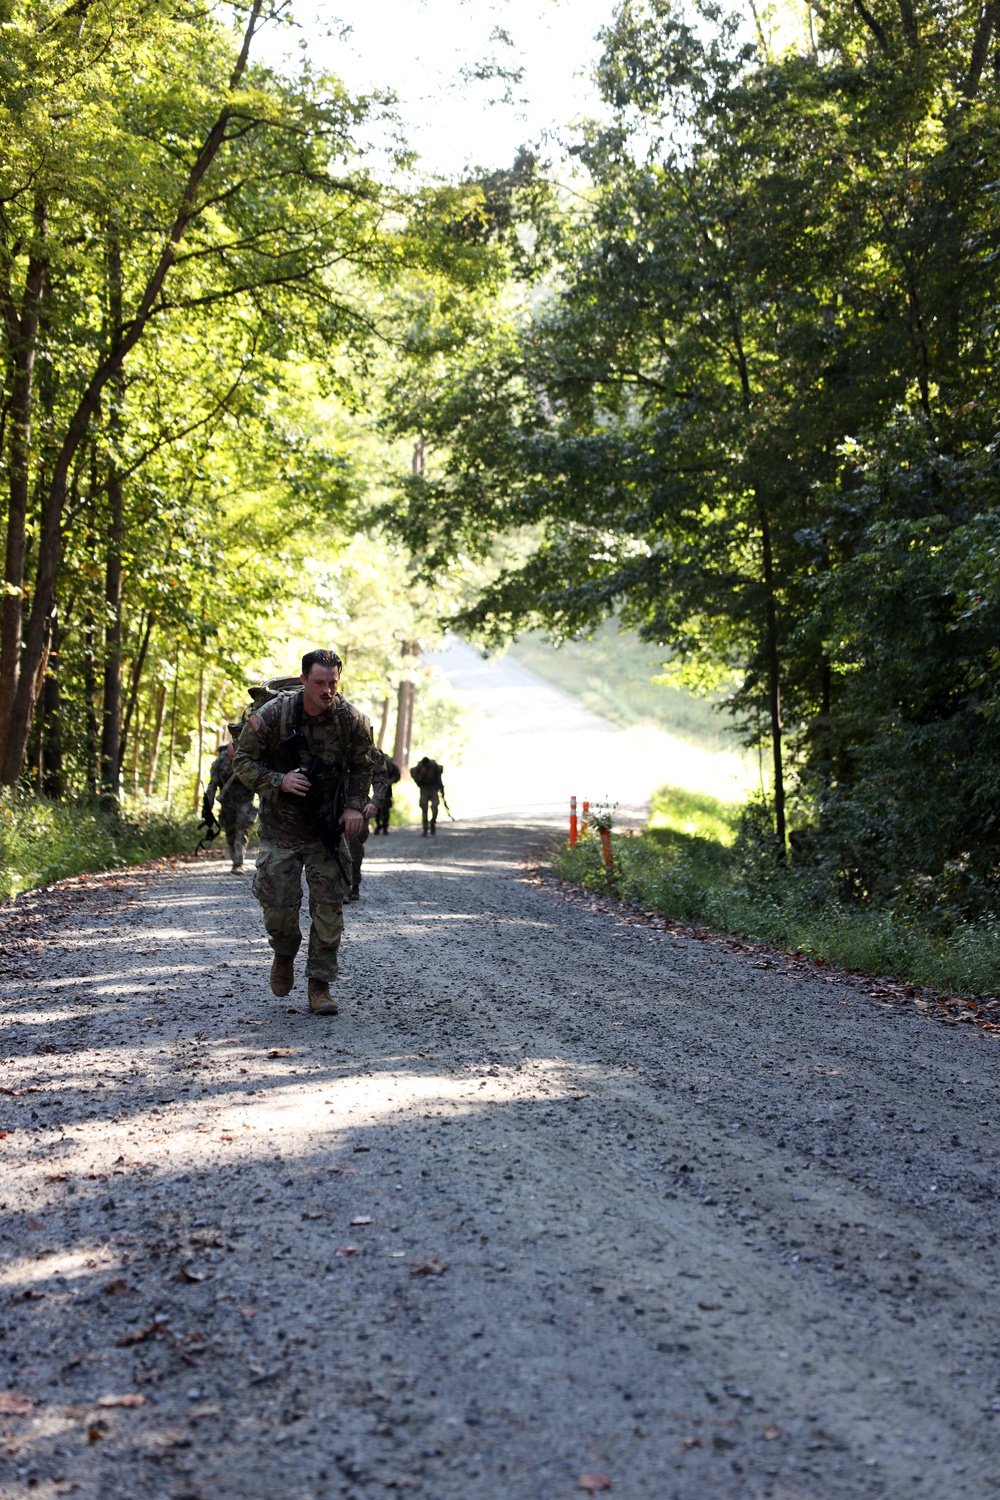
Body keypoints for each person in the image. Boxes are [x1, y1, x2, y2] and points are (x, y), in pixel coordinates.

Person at [232, 649, 375, 1016]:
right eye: (319, 683)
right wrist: (278, 780)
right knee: (278, 908)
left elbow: (363, 768)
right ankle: (283, 952)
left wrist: (354, 806)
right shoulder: (274, 716)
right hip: (280, 829)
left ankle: (320, 986)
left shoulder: (352, 721)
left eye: (333, 683)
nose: (327, 690)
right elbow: (242, 761)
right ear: (303, 681)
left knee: (328, 909)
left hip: (326, 830)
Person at [202, 726, 257, 873]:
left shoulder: (248, 758)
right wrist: (208, 805)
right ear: (228, 750)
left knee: (241, 829)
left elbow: (259, 779)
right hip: (227, 802)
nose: (234, 756)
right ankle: (234, 857)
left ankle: (238, 863)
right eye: (232, 754)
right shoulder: (220, 762)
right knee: (230, 831)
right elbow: (212, 785)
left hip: (245, 800)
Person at [345, 748, 397, 899]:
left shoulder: (371, 751)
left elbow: (381, 778)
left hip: (359, 804)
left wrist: (375, 802)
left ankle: (353, 884)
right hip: (332, 803)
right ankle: (338, 889)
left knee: (354, 844)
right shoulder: (330, 741)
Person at [410, 755, 445, 836]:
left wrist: (441, 789)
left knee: (435, 807)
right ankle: (425, 828)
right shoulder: (419, 768)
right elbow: (417, 780)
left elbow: (439, 779)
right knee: (424, 808)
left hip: (433, 789)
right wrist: (421, 775)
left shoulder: (435, 767)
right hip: (424, 789)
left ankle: (433, 823)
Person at [372, 750, 401, 835]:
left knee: (386, 808)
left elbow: (397, 776)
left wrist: (390, 781)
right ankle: (378, 825)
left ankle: (385, 826)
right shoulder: (373, 762)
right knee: (376, 806)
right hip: (376, 788)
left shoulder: (389, 763)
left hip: (387, 790)